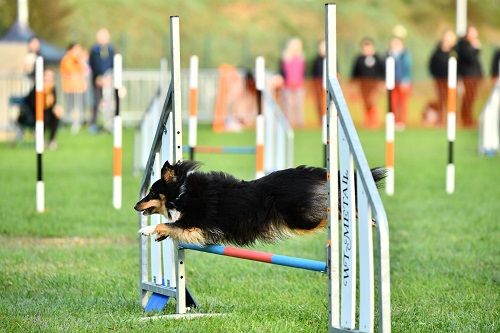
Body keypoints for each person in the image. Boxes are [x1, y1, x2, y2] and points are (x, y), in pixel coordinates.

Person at [350, 38, 385, 129]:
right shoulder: (359, 59)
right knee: (365, 103)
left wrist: (382, 82)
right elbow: (355, 72)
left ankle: (374, 122)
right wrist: (353, 84)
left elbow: (382, 71)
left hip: (374, 84)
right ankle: (367, 122)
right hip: (363, 84)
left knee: (372, 102)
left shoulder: (378, 58)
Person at [24, 70, 63, 149]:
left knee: (55, 116)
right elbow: (32, 103)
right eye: (47, 78)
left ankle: (51, 140)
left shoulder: (52, 89)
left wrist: (56, 109)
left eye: (51, 79)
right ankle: (40, 140)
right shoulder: (37, 88)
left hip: (48, 112)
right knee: (44, 116)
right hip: (35, 113)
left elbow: (54, 102)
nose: (49, 81)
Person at [456, 26, 483, 128]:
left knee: (471, 99)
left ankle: (468, 118)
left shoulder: (468, 45)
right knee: (467, 99)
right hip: (468, 77)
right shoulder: (463, 45)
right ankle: (466, 119)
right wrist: (475, 48)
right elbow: (470, 58)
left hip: (474, 77)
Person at [428, 29, 457, 126]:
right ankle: (440, 120)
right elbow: (431, 65)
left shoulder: (456, 51)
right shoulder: (437, 51)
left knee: (452, 101)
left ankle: (452, 121)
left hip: (453, 81)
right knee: (441, 101)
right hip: (440, 81)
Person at [89, 28, 114, 133]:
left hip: (109, 80)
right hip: (97, 80)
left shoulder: (111, 50)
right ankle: (93, 124)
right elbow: (93, 64)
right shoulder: (94, 50)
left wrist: (109, 77)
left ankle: (110, 124)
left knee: (110, 103)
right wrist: (98, 77)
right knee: (96, 101)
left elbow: (113, 63)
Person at [60, 42, 87, 133]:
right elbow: (70, 70)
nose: (79, 51)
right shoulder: (67, 59)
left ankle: (76, 123)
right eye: (77, 49)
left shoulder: (80, 59)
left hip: (79, 87)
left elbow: (84, 70)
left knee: (78, 106)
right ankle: (66, 123)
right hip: (69, 87)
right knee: (69, 107)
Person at [279, 38, 306, 128]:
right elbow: (282, 72)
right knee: (288, 106)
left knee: (299, 106)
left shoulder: (301, 59)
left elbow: (303, 72)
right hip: (287, 86)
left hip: (298, 86)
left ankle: (299, 124)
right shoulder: (285, 59)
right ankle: (287, 124)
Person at [388, 32, 412, 130]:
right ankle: (393, 122)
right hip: (392, 82)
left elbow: (407, 67)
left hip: (403, 82)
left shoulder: (405, 55)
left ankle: (401, 122)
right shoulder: (389, 54)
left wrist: (405, 80)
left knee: (402, 103)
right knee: (392, 102)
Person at [311, 40, 325, 127]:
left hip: (327, 86)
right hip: (318, 86)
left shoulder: (332, 58)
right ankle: (321, 121)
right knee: (319, 104)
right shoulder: (316, 60)